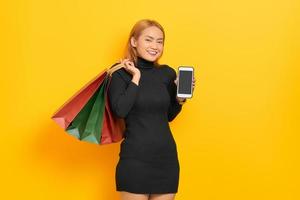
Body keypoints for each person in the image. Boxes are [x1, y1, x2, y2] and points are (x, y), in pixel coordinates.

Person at [108, 19, 196, 200]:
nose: (155, 46)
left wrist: (180, 99)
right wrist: (136, 77)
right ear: (134, 41)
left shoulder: (167, 74)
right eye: (148, 40)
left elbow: (168, 116)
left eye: (160, 41)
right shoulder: (119, 74)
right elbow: (120, 111)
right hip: (135, 159)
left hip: (166, 158)